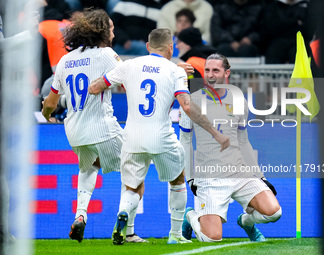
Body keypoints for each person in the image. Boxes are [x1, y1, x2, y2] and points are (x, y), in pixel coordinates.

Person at [88, 28, 230, 245]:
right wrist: (213, 130)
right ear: (171, 48)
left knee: (132, 187)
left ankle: (124, 214)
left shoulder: (128, 65)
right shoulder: (175, 71)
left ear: (147, 46)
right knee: (177, 180)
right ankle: (175, 235)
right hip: (161, 136)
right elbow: (186, 105)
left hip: (132, 136)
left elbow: (94, 88)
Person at [41, 9, 146, 243]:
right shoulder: (106, 54)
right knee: (135, 170)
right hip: (102, 127)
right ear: (99, 31)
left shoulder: (65, 60)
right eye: (110, 28)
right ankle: (127, 230)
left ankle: (80, 216)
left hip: (74, 131)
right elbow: (128, 78)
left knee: (89, 167)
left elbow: (50, 101)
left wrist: (47, 113)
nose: (113, 31)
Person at [179, 53, 281, 242]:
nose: (210, 75)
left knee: (274, 213)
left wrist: (260, 176)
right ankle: (190, 216)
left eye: (215, 70)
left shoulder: (239, 100)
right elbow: (185, 141)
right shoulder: (191, 102)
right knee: (212, 238)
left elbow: (243, 142)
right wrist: (191, 176)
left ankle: (246, 222)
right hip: (210, 177)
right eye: (207, 70)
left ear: (227, 73)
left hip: (240, 172)